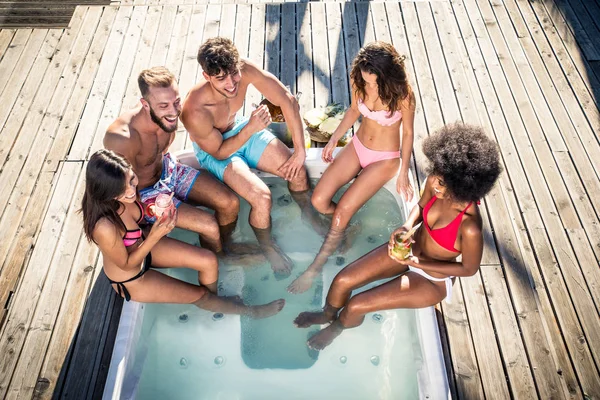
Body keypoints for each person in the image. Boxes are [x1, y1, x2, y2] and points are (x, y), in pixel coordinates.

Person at [293, 123, 502, 350]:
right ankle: (327, 314)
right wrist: (406, 225)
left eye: (442, 184)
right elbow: (421, 206)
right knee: (342, 281)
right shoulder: (437, 180)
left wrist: (417, 263)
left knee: (356, 304)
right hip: (408, 251)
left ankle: (337, 329)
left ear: (463, 187)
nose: (434, 184)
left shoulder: (469, 226)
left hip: (431, 279)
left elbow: (468, 269)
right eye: (436, 177)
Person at [81, 149, 284, 317]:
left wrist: (160, 211)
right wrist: (154, 236)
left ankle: (214, 301)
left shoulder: (126, 196)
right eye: (121, 189)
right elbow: (127, 264)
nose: (132, 191)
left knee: (208, 259)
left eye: (132, 180)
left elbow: (143, 213)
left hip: (143, 245)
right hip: (133, 277)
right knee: (199, 294)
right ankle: (248, 311)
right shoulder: (104, 227)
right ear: (105, 192)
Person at [181, 37, 321, 279]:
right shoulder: (194, 110)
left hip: (243, 129)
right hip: (217, 150)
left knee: (297, 171)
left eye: (233, 74)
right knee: (261, 197)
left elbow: (286, 100)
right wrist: (252, 128)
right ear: (207, 77)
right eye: (221, 78)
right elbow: (220, 152)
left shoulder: (244, 69)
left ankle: (308, 214)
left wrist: (299, 150)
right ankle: (268, 246)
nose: (231, 83)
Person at [288, 41, 416, 294]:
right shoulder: (359, 78)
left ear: (387, 75)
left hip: (385, 158)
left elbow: (409, 134)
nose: (368, 86)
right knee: (318, 201)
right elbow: (353, 111)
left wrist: (403, 172)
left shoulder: (403, 94)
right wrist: (335, 138)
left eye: (374, 82)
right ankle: (348, 227)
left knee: (340, 212)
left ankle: (314, 268)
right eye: (365, 81)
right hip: (357, 147)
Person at [104, 66, 244, 257]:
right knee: (209, 225)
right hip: (143, 194)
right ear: (145, 104)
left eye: (176, 102)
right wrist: (139, 223)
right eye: (163, 106)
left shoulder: (169, 115)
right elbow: (118, 190)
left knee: (230, 203)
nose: (173, 111)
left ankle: (224, 245)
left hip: (169, 170)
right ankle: (219, 259)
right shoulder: (122, 138)